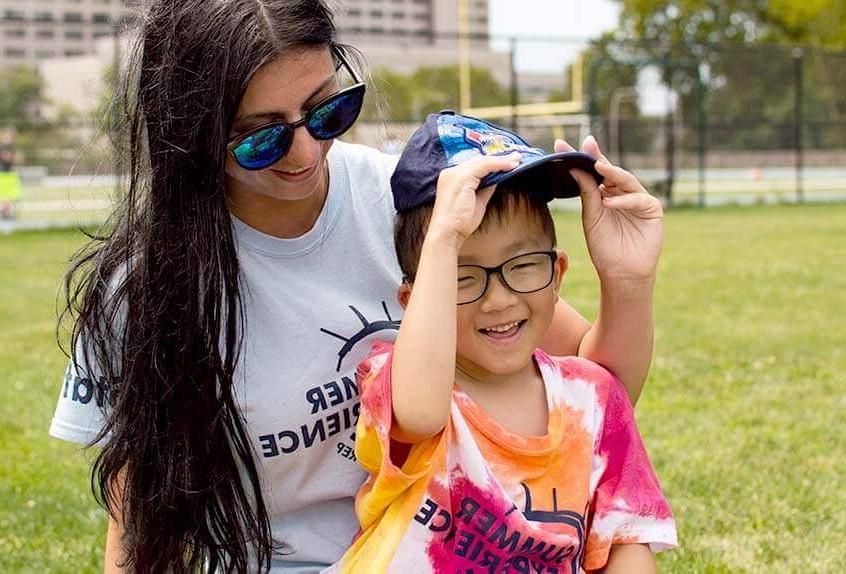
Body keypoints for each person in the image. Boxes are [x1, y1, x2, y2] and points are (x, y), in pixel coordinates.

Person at [49, 1, 662, 572]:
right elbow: (137, 519)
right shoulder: (146, 290)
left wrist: (627, 283)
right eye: (262, 136)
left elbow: (588, 388)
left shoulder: (405, 199)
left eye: (327, 110)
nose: (308, 148)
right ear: (193, 135)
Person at [332, 113, 675, 573]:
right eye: (461, 274)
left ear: (558, 274)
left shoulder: (591, 394)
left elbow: (627, 538)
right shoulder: (395, 377)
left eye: (523, 264)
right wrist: (442, 242)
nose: (499, 299)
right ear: (414, 301)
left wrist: (629, 280)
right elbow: (418, 414)